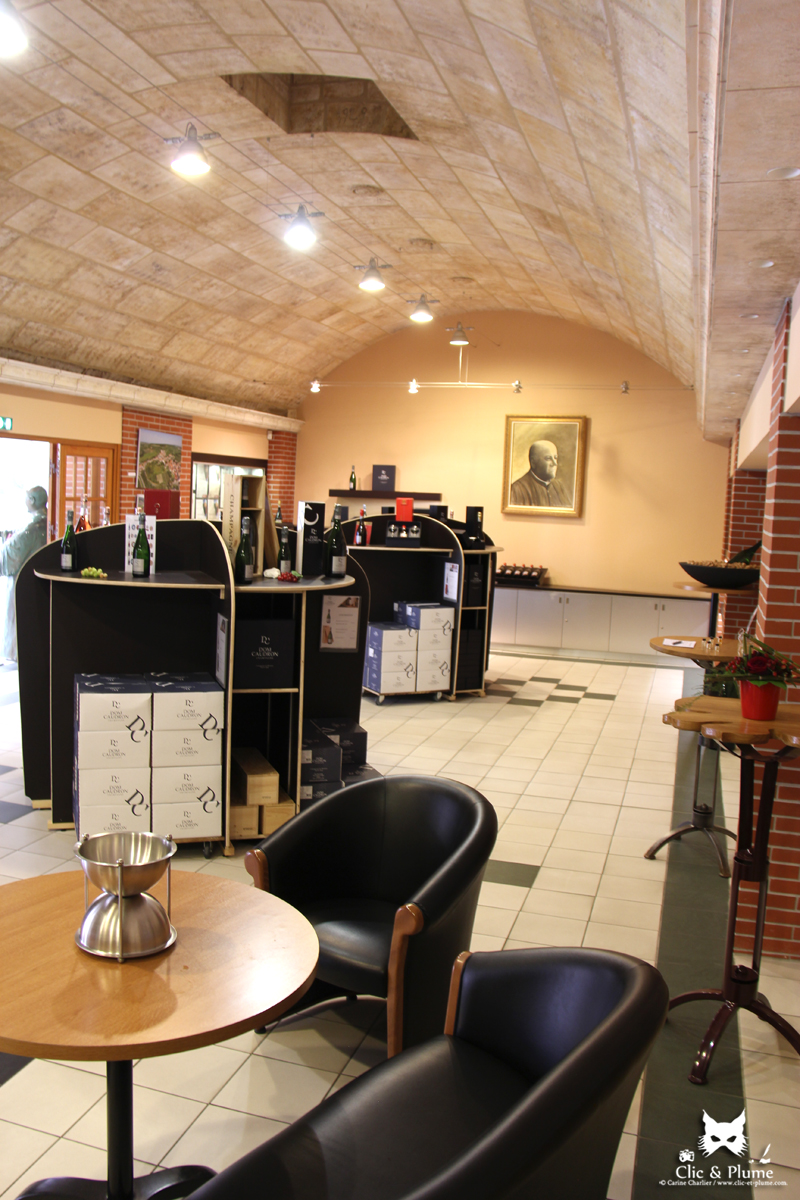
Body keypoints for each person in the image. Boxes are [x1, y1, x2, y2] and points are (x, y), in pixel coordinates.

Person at [0, 486, 48, 661]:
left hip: (22, 581)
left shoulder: (32, 527)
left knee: (19, 621)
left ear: (33, 500)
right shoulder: (48, 523)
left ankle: (16, 654)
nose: (25, 501)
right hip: (38, 580)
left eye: (27, 498)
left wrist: (6, 543)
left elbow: (11, 554)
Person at [510, 439, 571, 507]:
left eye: (555, 458)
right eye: (548, 458)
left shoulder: (558, 486)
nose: (555, 463)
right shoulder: (517, 489)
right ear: (533, 462)